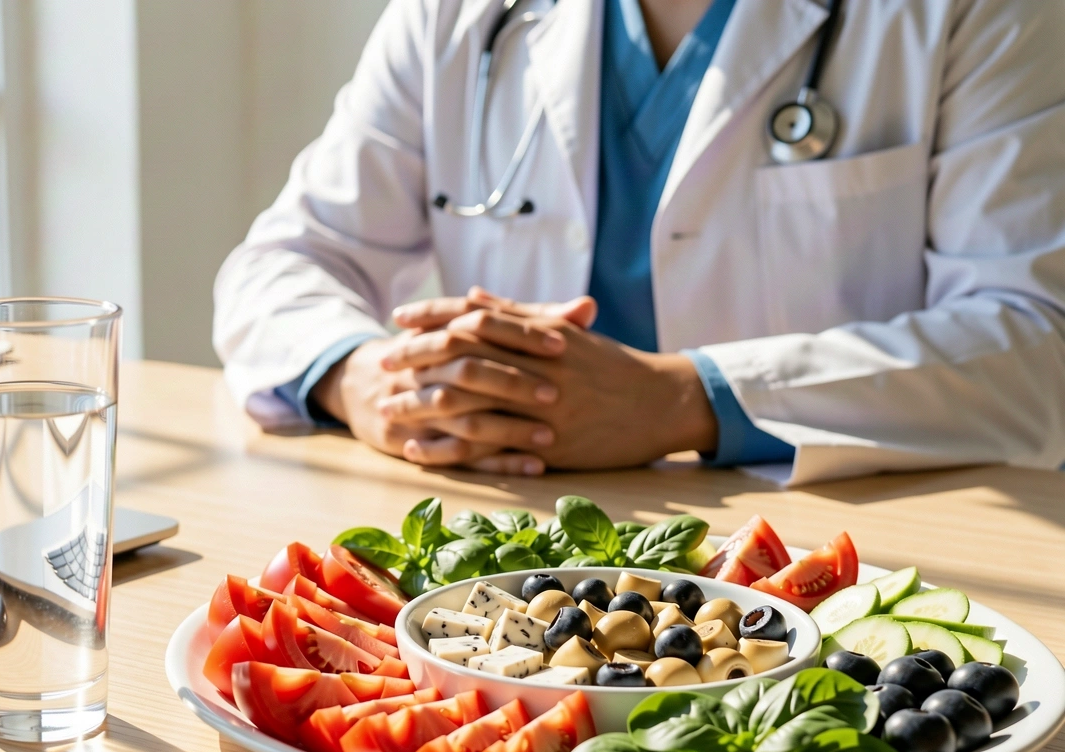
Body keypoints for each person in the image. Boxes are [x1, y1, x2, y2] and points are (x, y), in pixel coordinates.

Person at [212, 0, 1065, 485]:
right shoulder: (461, 16)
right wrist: (375, 380)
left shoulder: (978, 13)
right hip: (521, 553)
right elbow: (280, 266)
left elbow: (1035, 343)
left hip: (853, 562)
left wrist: (683, 399)